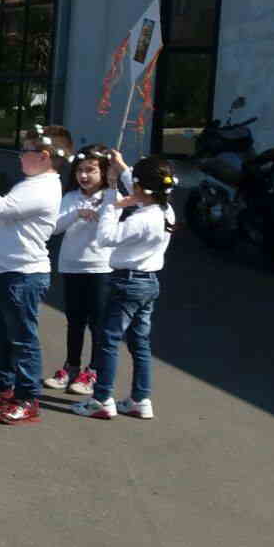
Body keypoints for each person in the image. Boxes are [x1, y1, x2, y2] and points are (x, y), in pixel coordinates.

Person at [0, 124, 71, 426]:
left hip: (22, 275)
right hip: (4, 272)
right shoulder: (30, 184)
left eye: (26, 151)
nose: (20, 156)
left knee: (22, 339)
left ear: (44, 156)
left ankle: (28, 397)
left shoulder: (44, 188)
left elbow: (2, 208)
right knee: (2, 335)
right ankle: (2, 387)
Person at [73, 151, 176, 421]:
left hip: (127, 283)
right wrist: (121, 168)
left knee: (108, 340)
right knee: (139, 343)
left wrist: (109, 195)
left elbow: (107, 237)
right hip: (149, 282)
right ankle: (140, 399)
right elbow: (141, 188)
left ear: (142, 188)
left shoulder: (141, 219)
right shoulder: (165, 210)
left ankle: (101, 399)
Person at [45, 146, 114, 396]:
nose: (84, 176)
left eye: (91, 170)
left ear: (104, 172)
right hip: (72, 266)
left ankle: (93, 371)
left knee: (98, 323)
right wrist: (76, 213)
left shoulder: (112, 196)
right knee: (74, 321)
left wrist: (115, 183)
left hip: (100, 267)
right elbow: (54, 227)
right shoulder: (71, 198)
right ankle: (70, 366)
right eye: (80, 171)